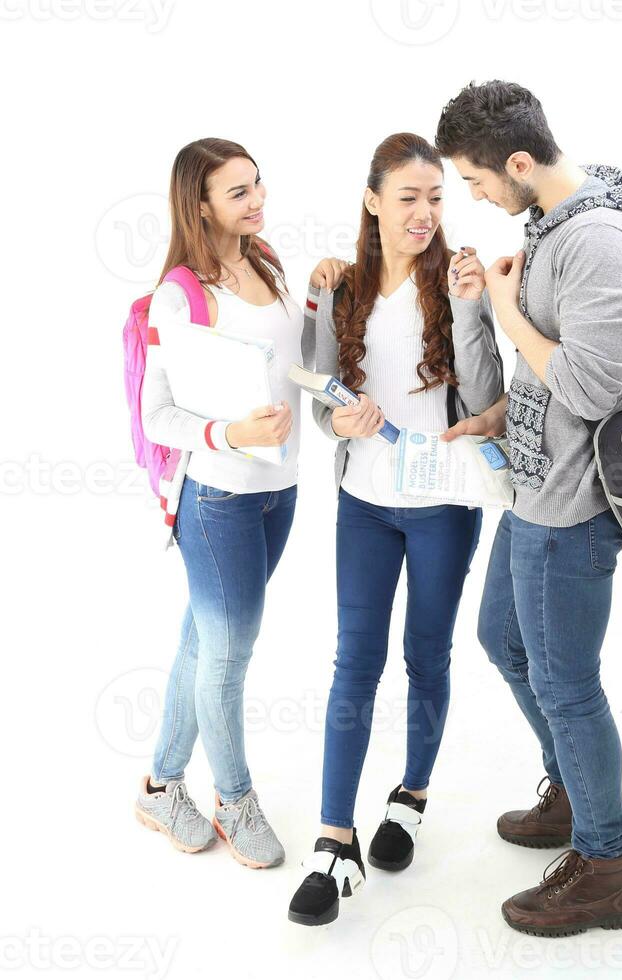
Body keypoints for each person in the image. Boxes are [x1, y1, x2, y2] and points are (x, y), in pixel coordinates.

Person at [435, 81, 622, 936]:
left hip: (572, 509)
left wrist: (499, 306)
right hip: (534, 484)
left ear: (520, 162)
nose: (475, 196)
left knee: (568, 685)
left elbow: (597, 387)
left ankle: (606, 867)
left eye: (476, 180)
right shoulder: (553, 225)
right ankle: (571, 789)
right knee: (503, 640)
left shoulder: (597, 241)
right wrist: (491, 373)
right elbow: (546, 373)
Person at [288, 132, 504, 926]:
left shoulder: (456, 279)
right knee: (355, 662)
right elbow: (318, 398)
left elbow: (487, 395)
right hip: (366, 504)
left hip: (444, 503)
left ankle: (410, 796)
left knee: (426, 656)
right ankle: (332, 842)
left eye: (436, 198)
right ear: (373, 199)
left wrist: (472, 306)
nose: (424, 212)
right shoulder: (343, 286)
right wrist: (342, 415)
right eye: (408, 197)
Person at [134, 137, 339, 870]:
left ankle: (160, 785)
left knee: (203, 643)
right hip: (218, 499)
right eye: (238, 193)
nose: (257, 201)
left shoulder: (268, 262)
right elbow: (157, 413)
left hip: (277, 494)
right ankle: (235, 801)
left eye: (258, 185)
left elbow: (302, 363)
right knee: (227, 659)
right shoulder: (181, 294)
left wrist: (319, 294)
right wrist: (231, 431)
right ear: (200, 205)